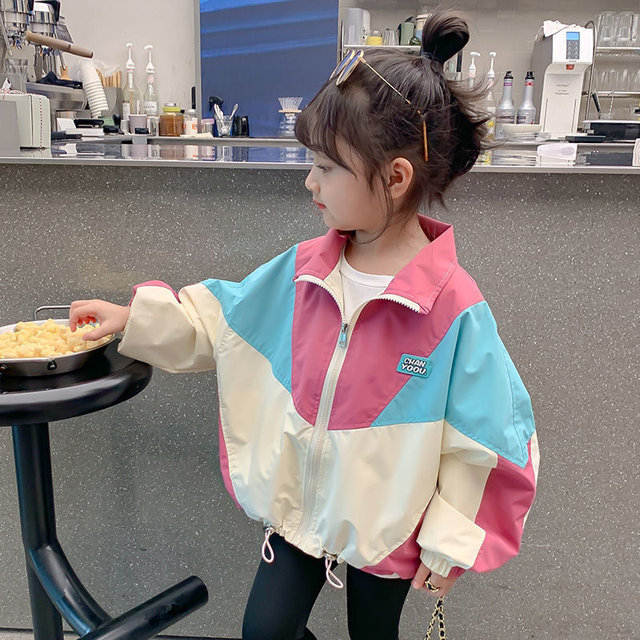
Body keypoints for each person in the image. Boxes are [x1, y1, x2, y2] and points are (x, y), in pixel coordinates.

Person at [69, 10, 539, 640]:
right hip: (299, 509)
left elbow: (487, 435)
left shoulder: (453, 308)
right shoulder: (305, 271)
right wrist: (135, 319)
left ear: (396, 178)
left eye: (327, 166)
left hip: (387, 525)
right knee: (264, 631)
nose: (309, 180)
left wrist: (449, 542)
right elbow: (224, 320)